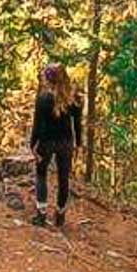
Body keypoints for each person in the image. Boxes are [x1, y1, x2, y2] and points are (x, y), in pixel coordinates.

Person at [29, 62, 82, 228]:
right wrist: (79, 143)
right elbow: (77, 124)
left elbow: (37, 125)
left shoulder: (43, 98)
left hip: (47, 142)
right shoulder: (73, 98)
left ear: (48, 79)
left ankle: (41, 215)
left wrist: (33, 145)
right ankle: (60, 216)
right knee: (63, 178)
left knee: (41, 174)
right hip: (66, 142)